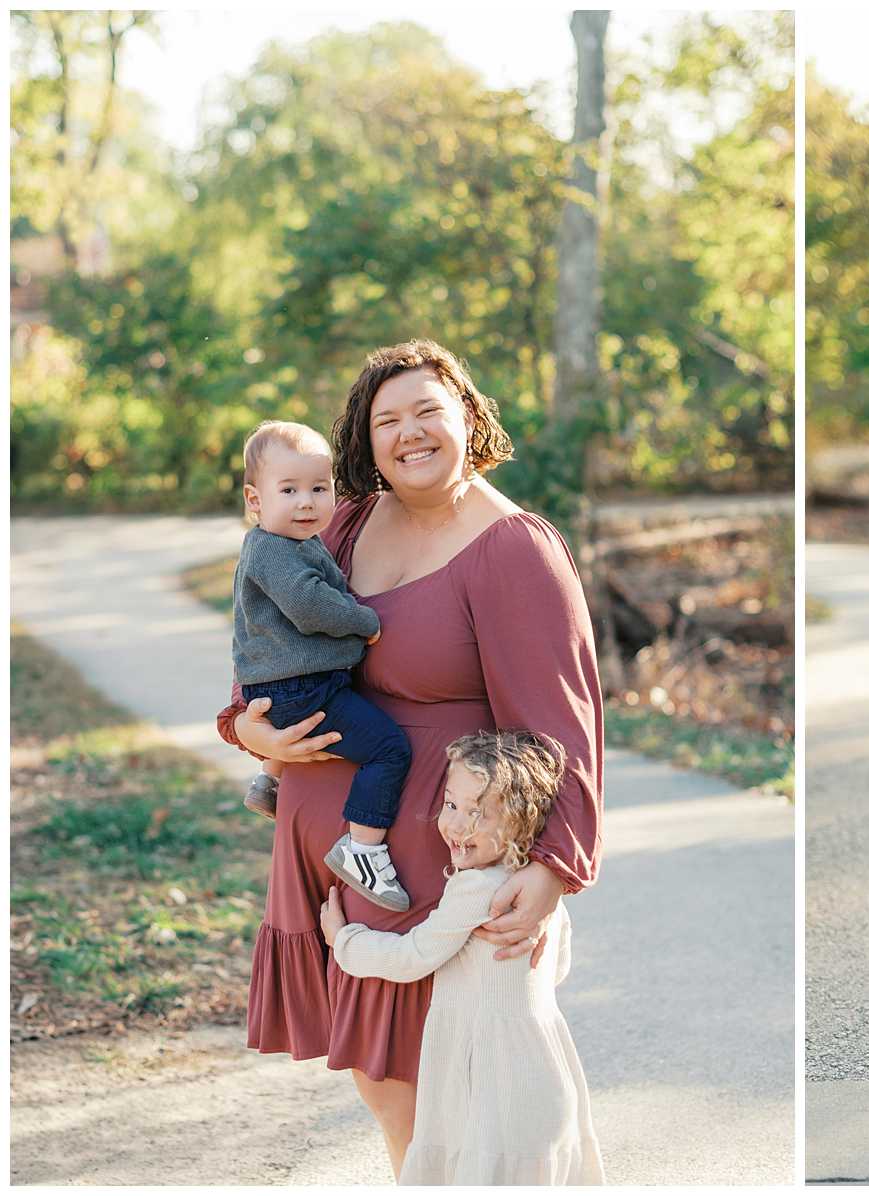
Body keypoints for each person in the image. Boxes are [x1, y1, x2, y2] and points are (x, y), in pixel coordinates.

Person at [215, 339, 604, 1178]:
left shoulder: (513, 547)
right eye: (387, 419)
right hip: (336, 851)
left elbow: (562, 725)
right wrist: (245, 729)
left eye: (428, 409)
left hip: (431, 850)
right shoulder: (344, 519)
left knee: (428, 1091)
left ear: (468, 414)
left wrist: (553, 871)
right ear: (365, 436)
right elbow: (265, 637)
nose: (410, 432)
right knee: (381, 1084)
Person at [320, 730, 605, 1184]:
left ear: (521, 822)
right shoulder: (540, 896)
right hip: (544, 1072)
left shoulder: (476, 888)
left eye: (479, 813)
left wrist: (345, 941)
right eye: (452, 805)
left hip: (499, 1084)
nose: (457, 825)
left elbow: (415, 955)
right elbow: (559, 967)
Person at [231, 421, 413, 913]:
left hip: (286, 684)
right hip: (303, 688)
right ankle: (364, 849)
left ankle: (269, 780)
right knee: (389, 750)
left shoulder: (290, 540)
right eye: (288, 490)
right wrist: (364, 622)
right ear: (255, 499)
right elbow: (310, 606)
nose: (307, 502)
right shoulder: (275, 550)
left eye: (318, 487)